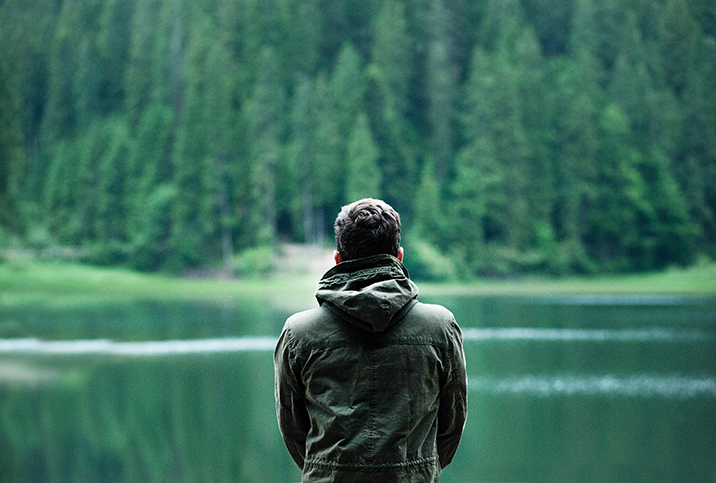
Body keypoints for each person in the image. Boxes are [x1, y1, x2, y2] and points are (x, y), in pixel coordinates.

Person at [274, 198, 467, 483]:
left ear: (338, 259)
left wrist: (330, 470)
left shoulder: (298, 333)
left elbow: (293, 429)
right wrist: (418, 470)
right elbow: (452, 422)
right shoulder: (440, 327)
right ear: (399, 256)